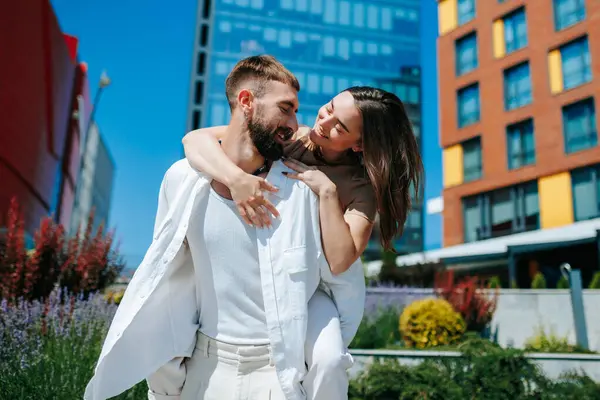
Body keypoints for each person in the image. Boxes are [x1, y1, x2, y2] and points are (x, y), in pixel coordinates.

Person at [84, 55, 365, 400]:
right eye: (286, 108)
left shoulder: (304, 191)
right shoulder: (182, 181)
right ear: (246, 102)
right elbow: (165, 281)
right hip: (204, 377)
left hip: (280, 378)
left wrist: (324, 364)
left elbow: (339, 283)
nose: (296, 124)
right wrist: (167, 385)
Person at [182, 84, 423, 398]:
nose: (325, 121)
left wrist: (327, 191)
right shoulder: (293, 137)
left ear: (360, 144)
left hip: (315, 288)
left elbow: (340, 260)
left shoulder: (359, 187)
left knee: (330, 359)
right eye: (330, 107)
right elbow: (195, 139)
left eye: (340, 126)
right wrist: (235, 178)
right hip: (261, 266)